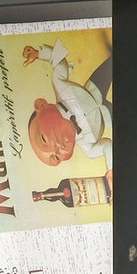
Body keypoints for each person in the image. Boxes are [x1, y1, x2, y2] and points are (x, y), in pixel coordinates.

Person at [23, 39, 113, 174]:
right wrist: (111, 169)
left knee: (112, 64)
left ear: (41, 105)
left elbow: (58, 61)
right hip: (107, 116)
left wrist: (38, 53)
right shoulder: (88, 147)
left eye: (44, 139)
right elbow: (107, 146)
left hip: (94, 89)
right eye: (56, 157)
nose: (57, 148)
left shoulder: (61, 88)